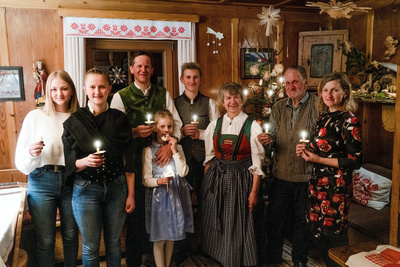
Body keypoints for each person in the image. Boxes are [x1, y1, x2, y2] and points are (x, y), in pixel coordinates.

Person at [110, 51, 182, 267]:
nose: (143, 70)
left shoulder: (163, 93)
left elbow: (176, 123)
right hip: (133, 163)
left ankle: (159, 259)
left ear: (152, 69)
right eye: (139, 66)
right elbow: (113, 132)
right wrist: (133, 132)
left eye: (147, 66)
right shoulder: (120, 96)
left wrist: (171, 146)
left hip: (162, 161)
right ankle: (134, 260)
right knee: (138, 212)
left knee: (163, 210)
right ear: (131, 69)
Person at [62, 68, 135, 266]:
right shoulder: (74, 121)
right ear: (85, 89)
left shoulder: (120, 119)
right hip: (86, 190)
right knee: (90, 246)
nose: (97, 91)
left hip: (116, 188)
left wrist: (131, 194)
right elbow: (68, 162)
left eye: (102, 86)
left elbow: (129, 158)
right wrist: (85, 162)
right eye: (92, 87)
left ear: (110, 88)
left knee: (113, 243)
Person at [296, 72, 362, 267]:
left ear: (345, 93)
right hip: (318, 185)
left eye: (335, 89)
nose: (329, 94)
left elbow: (354, 161)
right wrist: (307, 151)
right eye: (325, 90)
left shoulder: (349, 120)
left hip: (337, 187)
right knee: (319, 234)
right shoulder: (324, 118)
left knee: (334, 237)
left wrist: (318, 158)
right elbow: (322, 152)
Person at [15, 70, 79, 267]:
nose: (59, 94)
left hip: (72, 181)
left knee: (70, 236)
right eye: (53, 89)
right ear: (48, 92)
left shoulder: (79, 118)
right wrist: (31, 153)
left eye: (64, 88)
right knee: (46, 240)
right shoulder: (35, 117)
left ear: (72, 91)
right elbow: (21, 162)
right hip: (42, 181)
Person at [197, 82, 265, 267]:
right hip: (217, 176)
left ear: (242, 100)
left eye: (236, 97)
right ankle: (218, 253)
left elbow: (257, 163)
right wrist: (206, 185)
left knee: (236, 220)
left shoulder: (252, 126)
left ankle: (235, 257)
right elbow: (210, 157)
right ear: (223, 101)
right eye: (228, 97)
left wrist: (253, 192)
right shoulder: (215, 125)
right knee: (216, 215)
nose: (232, 101)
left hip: (241, 179)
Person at [258, 66, 319, 267]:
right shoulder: (277, 107)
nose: (291, 86)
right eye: (287, 82)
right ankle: (273, 257)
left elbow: (323, 141)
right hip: (281, 174)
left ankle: (300, 260)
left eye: (295, 82)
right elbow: (274, 137)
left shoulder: (318, 106)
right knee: (275, 219)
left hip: (306, 176)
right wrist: (268, 140)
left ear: (305, 83)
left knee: (302, 222)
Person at [173, 62, 220, 264]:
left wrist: (200, 134)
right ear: (182, 80)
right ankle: (182, 248)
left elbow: (216, 132)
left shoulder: (209, 103)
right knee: (181, 204)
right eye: (188, 77)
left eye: (195, 77)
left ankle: (206, 244)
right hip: (183, 161)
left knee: (206, 204)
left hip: (204, 161)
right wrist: (181, 132)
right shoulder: (174, 103)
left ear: (200, 80)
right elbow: (170, 129)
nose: (192, 81)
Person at [142, 109, 193, 267]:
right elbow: (145, 179)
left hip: (175, 197)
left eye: (169, 126)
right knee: (160, 237)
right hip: (159, 199)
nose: (166, 130)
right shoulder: (148, 151)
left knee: (172, 235)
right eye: (162, 126)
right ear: (155, 128)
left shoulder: (178, 148)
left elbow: (183, 172)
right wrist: (159, 181)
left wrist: (174, 150)